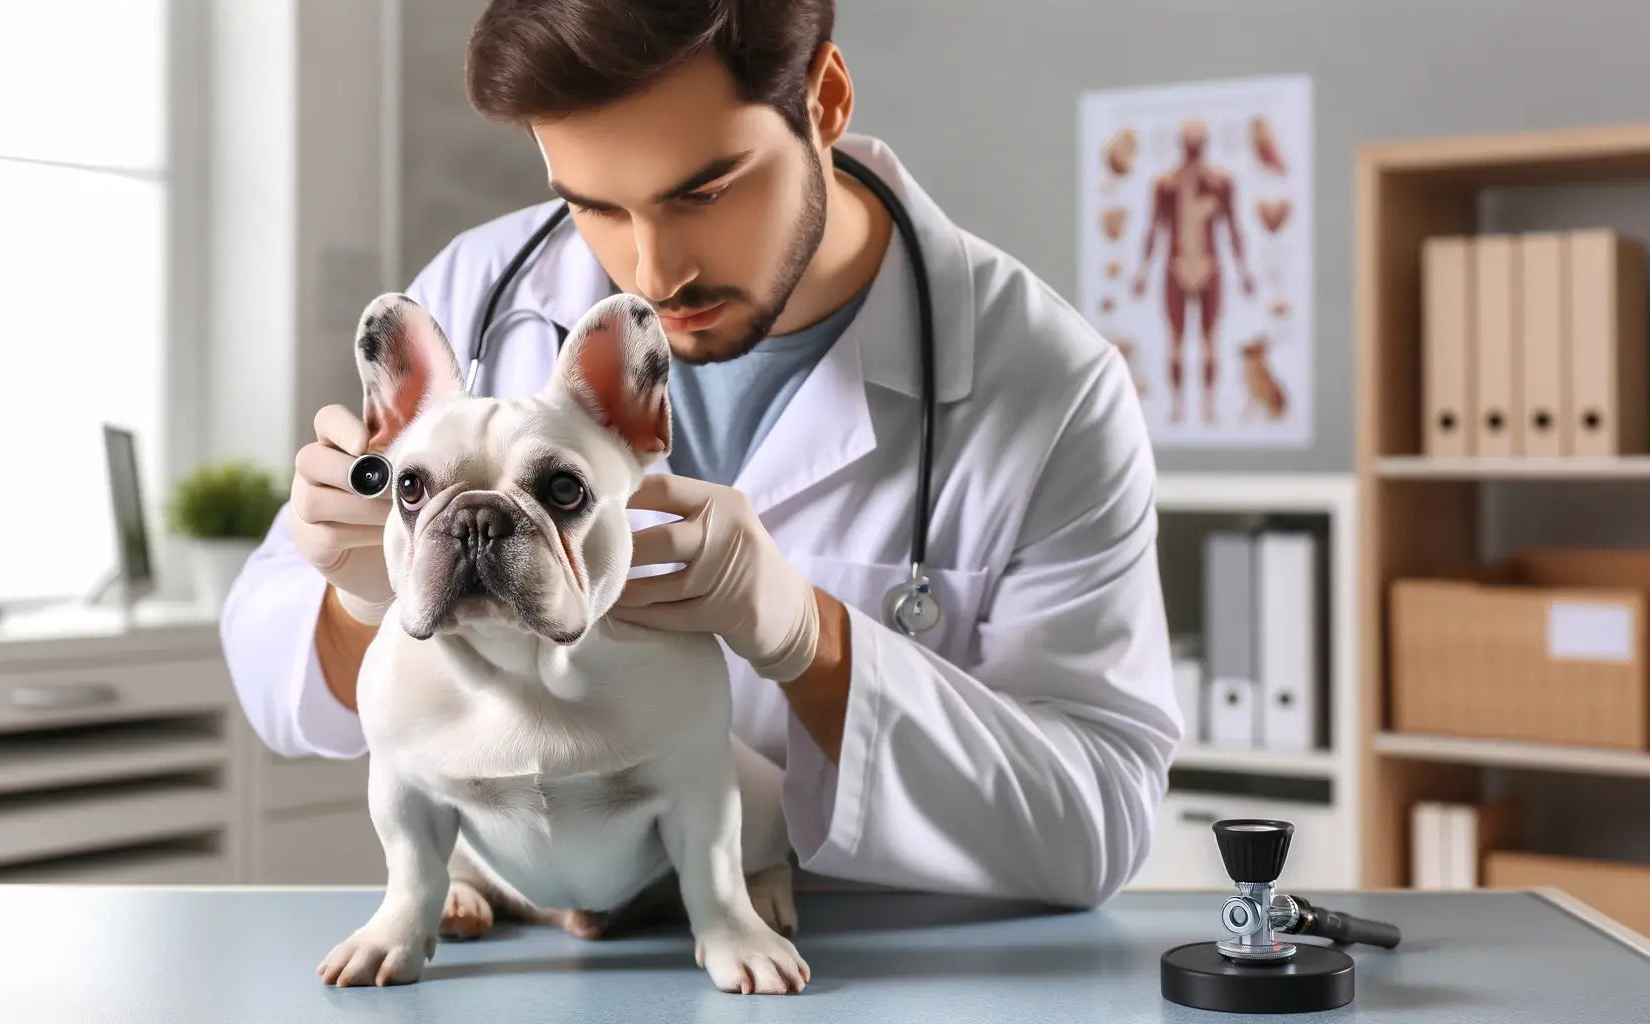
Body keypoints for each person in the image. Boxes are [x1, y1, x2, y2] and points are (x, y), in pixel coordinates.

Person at [221, 0, 1181, 911]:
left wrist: (812, 642)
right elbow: (279, 684)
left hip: (859, 964)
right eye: (592, 204)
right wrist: (359, 597)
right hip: (538, 967)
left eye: (706, 190)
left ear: (826, 101)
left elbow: (1093, 821)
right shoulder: (476, 293)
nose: (654, 269)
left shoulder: (1050, 385)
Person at [1131, 118, 1255, 424]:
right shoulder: (1165, 185)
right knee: (1175, 340)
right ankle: (1177, 405)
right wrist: (1143, 272)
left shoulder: (1221, 183)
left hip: (1209, 266)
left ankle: (1208, 404)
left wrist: (1244, 271)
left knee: (1209, 339)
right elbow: (1154, 230)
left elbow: (1233, 229)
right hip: (1176, 266)